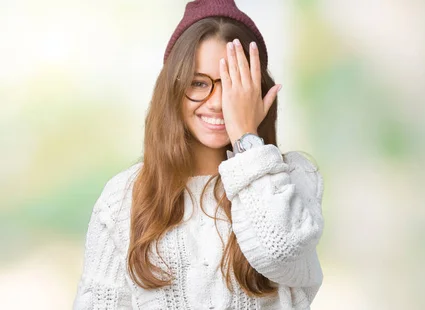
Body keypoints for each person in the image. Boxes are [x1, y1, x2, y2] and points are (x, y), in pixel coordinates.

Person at [72, 0, 324, 309]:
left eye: (233, 85)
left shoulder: (293, 179)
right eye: (199, 83)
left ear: (256, 91)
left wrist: (246, 137)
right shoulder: (123, 199)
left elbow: (281, 253)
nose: (218, 103)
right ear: (173, 90)